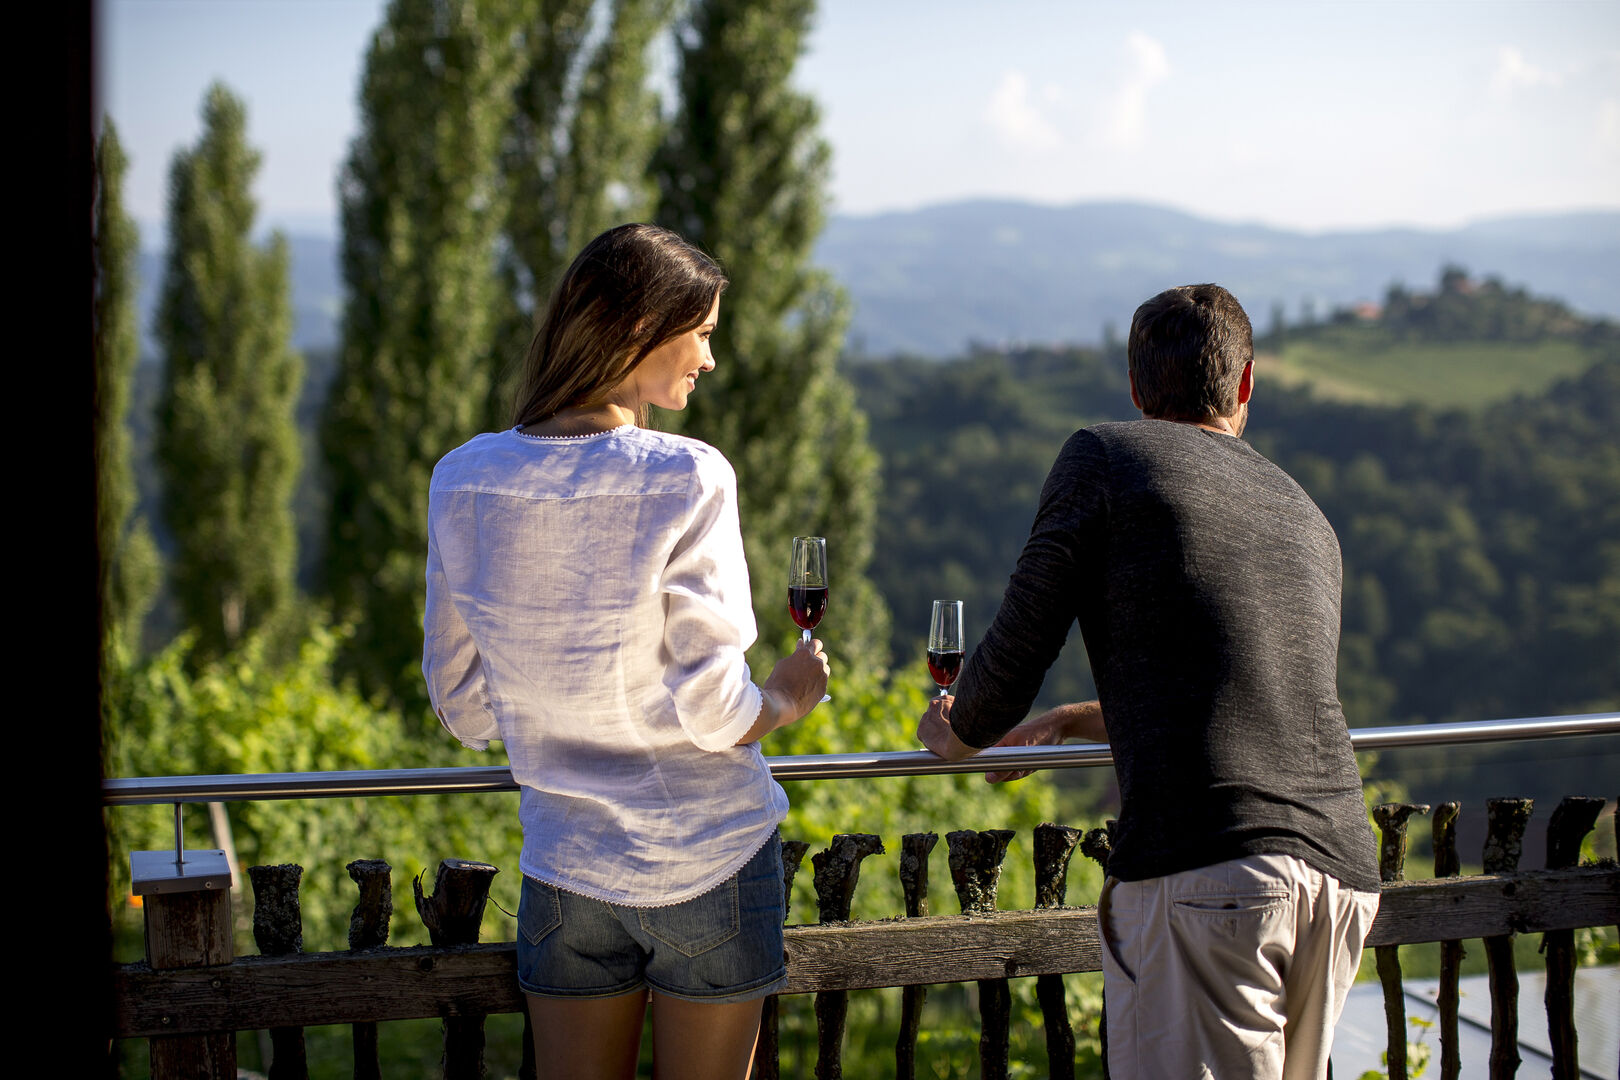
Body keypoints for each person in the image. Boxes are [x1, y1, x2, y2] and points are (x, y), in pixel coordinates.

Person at [916, 284, 1380, 1080]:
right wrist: (1070, 719)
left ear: (1136, 391)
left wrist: (959, 732)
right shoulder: (1306, 514)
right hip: (1339, 879)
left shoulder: (1106, 456)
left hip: (1211, 873)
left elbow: (1018, 646)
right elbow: (1245, 688)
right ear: (1244, 385)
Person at [424, 223, 829, 1079]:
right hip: (708, 857)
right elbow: (718, 713)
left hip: (566, 869)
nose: (710, 361)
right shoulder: (686, 476)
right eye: (705, 333)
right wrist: (791, 694)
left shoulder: (463, 478)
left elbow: (463, 710)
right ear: (644, 327)